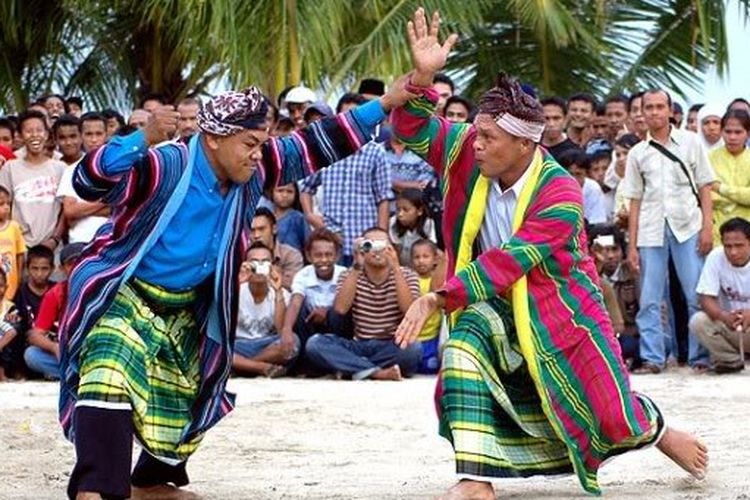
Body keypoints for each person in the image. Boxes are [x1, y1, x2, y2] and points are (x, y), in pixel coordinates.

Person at [392, 9, 706, 499]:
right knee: (463, 346)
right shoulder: (464, 147)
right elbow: (409, 125)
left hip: (560, 306)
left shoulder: (560, 192)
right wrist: (424, 77)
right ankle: (475, 479)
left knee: (610, 414)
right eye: (476, 133)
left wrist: (436, 298)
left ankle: (662, 432)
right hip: (484, 299)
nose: (477, 143)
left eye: (489, 138)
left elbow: (512, 259)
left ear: (523, 144)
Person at [59, 84, 408, 500]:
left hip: (189, 307)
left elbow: (316, 143)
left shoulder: (253, 171)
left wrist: (388, 102)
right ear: (214, 138)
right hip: (125, 295)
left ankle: (148, 484)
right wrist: (142, 138)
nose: (258, 153)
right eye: (249, 144)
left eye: (262, 144)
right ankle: (95, 490)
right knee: (109, 369)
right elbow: (87, 181)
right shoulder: (166, 164)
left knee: (191, 395)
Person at [622, 88, 715, 374]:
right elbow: (634, 200)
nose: (653, 112)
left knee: (694, 293)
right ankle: (654, 358)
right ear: (641, 112)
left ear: (670, 110)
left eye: (659, 107)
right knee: (650, 297)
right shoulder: (637, 153)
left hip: (688, 224)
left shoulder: (690, 143)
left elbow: (705, 187)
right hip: (650, 229)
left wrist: (708, 228)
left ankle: (700, 357)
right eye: (647, 107)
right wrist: (632, 245)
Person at [305, 227, 422, 380]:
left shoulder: (407, 274)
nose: (377, 251)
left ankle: (353, 367)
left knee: (413, 349)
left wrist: (396, 268)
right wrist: (357, 264)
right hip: (359, 344)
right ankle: (376, 372)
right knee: (315, 344)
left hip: (391, 344)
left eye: (381, 245)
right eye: (370, 245)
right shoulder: (349, 274)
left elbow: (409, 310)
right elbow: (340, 309)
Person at [690, 217, 750, 373]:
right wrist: (724, 316)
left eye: (739, 246)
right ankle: (730, 360)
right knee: (698, 321)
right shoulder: (716, 257)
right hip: (733, 325)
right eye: (728, 246)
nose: (733, 252)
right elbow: (705, 297)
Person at [0, 110, 66, 249]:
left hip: (51, 248)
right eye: (29, 131)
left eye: (39, 130)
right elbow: (4, 206)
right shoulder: (10, 168)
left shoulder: (60, 168)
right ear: (21, 136)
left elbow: (65, 210)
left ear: (47, 134)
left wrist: (54, 240)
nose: (35, 135)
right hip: (18, 246)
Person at [233, 243, 298, 378]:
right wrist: (236, 284)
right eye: (254, 262)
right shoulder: (236, 289)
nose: (259, 267)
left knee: (293, 342)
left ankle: (243, 367)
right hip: (240, 345)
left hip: (267, 346)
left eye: (265, 262)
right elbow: (221, 323)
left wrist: (278, 290)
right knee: (216, 347)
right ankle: (261, 367)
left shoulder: (281, 293)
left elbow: (281, 331)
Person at [280, 229, 347, 355]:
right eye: (318, 255)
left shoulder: (344, 274)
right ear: (309, 256)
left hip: (336, 327)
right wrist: (287, 329)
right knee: (299, 309)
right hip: (310, 325)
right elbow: (295, 302)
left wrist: (326, 312)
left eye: (329, 254)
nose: (323, 260)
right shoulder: (303, 275)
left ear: (337, 256)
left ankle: (338, 352)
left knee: (338, 311)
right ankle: (305, 359)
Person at [24, 243, 84, 380]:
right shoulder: (56, 293)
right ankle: (76, 375)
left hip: (93, 349)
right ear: (62, 269)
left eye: (81, 262)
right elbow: (35, 335)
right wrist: (54, 347)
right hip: (68, 351)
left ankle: (72, 374)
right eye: (71, 264)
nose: (77, 268)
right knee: (32, 355)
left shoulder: (101, 287)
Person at [56, 113, 110, 244]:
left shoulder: (118, 168)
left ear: (106, 135)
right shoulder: (71, 170)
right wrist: (107, 200)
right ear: (81, 136)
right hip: (79, 243)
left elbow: (121, 209)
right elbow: (70, 211)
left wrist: (83, 210)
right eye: (89, 134)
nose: (94, 139)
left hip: (110, 242)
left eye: (98, 134)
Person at [709, 109, 750, 244]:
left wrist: (720, 188)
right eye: (728, 132)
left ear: (747, 133)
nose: (732, 137)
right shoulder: (710, 158)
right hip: (716, 230)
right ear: (721, 132)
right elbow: (706, 194)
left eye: (738, 132)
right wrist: (739, 196)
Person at [410, 239, 445, 373]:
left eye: (426, 256)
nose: (421, 261)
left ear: (435, 259)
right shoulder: (410, 279)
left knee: (430, 368)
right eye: (417, 257)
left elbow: (434, 291)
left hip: (432, 337)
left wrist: (443, 261)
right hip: (414, 336)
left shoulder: (437, 280)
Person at [250, 207, 304, 290]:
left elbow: (294, 287)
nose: (256, 235)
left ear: (274, 229)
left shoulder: (291, 255)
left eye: (261, 229)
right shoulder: (242, 255)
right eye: (252, 230)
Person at [557, 149, 607, 225]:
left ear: (586, 174)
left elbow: (597, 222)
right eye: (570, 174)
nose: (573, 179)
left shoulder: (593, 189)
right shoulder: (553, 189)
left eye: (578, 174)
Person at [389, 187, 436, 265]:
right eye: (398, 209)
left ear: (419, 211)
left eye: (406, 210)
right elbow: (396, 253)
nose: (400, 214)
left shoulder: (428, 224)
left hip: (423, 267)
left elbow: (431, 250)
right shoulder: (393, 223)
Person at [0, 185, 26, 301]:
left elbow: (20, 254)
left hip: (10, 280)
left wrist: (19, 275)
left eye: (8, 204)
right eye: (1, 204)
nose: (6, 208)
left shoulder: (14, 227)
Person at [269, 182, 310, 253]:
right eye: (280, 190)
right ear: (272, 192)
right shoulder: (265, 216)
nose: (285, 195)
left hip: (294, 260)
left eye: (290, 192)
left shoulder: (298, 218)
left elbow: (308, 243)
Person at [0, 269, 20, 381]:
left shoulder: (10, 307)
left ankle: (2, 374)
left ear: (6, 287)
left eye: (0, 285)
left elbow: (12, 331)